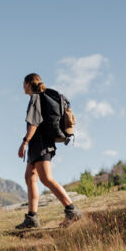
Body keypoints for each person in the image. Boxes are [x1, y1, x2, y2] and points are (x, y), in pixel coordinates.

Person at [16, 73, 82, 229]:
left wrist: (24, 142)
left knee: (46, 179)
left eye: (23, 83)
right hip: (39, 144)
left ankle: (72, 210)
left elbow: (34, 123)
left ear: (28, 83)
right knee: (30, 177)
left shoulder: (36, 98)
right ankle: (32, 218)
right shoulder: (39, 98)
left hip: (40, 143)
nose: (22, 87)